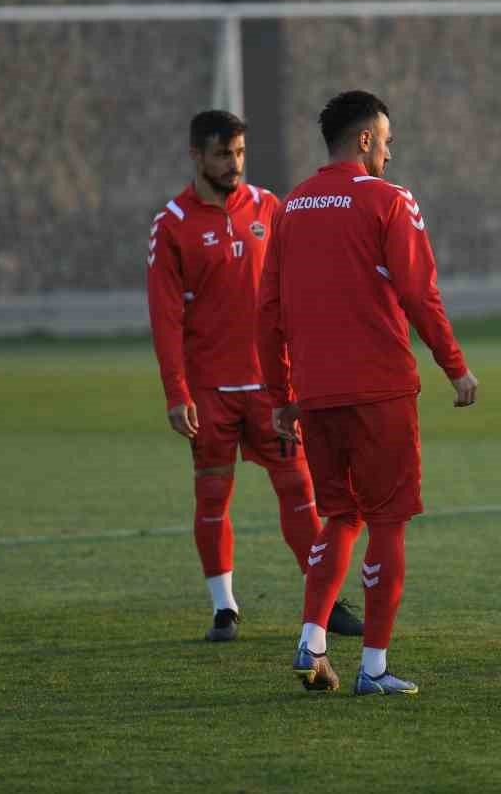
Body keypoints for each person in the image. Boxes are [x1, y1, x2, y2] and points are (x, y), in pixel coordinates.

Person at [258, 90, 478, 696]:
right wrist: (454, 366)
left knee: (340, 516)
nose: (390, 147)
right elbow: (420, 294)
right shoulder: (389, 199)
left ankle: (312, 639)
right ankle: (374, 668)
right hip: (379, 390)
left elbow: (269, 309)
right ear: (363, 139)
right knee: (388, 521)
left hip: (317, 396)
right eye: (385, 136)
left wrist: (281, 395)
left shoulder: (290, 207)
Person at [147, 110, 361, 642]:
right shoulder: (172, 224)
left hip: (273, 389)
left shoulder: (270, 207)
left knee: (300, 491)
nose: (234, 164)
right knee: (213, 497)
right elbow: (165, 316)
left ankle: (324, 601)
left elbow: (305, 283)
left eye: (240, 153)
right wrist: (177, 392)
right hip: (209, 392)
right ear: (197, 156)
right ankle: (224, 608)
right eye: (223, 154)